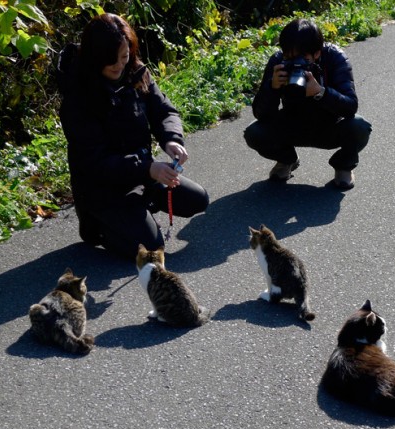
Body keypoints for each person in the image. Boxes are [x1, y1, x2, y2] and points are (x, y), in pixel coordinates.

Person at [57, 13, 209, 259]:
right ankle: (98, 224)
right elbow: (95, 162)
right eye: (111, 61)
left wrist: (172, 139)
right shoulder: (78, 99)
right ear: (95, 59)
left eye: (125, 57)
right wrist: (147, 168)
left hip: (140, 174)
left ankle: (140, 209)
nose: (119, 65)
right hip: (103, 189)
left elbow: (164, 110)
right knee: (150, 247)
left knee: (197, 200)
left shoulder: (135, 73)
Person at [244, 18, 372, 190]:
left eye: (303, 58)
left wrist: (321, 93)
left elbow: (350, 107)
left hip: (329, 126)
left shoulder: (334, 58)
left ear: (317, 53)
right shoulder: (278, 61)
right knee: (254, 132)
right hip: (292, 124)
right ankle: (286, 159)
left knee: (360, 126)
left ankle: (343, 165)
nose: (296, 62)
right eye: (290, 56)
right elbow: (261, 115)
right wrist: (272, 88)